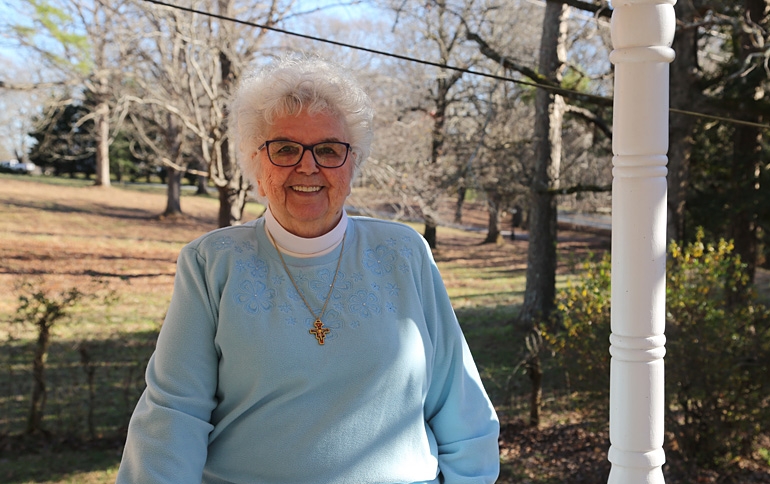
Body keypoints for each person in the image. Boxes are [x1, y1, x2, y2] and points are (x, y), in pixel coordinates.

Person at [116, 54, 500, 483]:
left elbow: (461, 405)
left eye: (329, 149)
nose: (308, 166)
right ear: (256, 165)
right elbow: (173, 415)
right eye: (284, 149)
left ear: (352, 163)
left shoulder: (404, 253)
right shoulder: (211, 263)